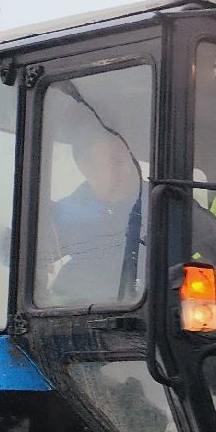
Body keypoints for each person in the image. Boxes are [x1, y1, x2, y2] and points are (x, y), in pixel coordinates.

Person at [43, 127, 145, 306]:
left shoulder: (165, 203)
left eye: (127, 158)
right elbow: (23, 256)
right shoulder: (65, 215)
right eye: (116, 161)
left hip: (153, 318)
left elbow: (211, 243)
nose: (129, 170)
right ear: (86, 167)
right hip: (77, 318)